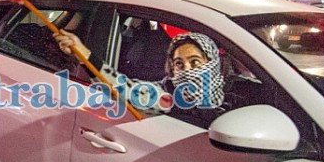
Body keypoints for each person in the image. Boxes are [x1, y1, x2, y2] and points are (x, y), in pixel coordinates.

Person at [53, 30, 225, 121]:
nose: (187, 70)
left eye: (195, 62)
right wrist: (84, 53)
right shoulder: (166, 95)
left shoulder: (236, 89)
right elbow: (123, 89)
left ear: (212, 63)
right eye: (179, 63)